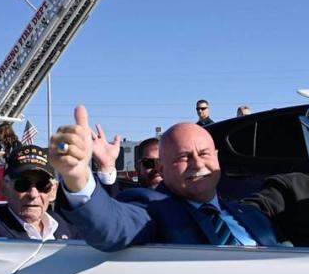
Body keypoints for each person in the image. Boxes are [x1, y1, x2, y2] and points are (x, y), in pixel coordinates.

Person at [52, 106, 277, 252]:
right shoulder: (154, 209)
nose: (198, 164)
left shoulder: (253, 217)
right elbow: (112, 228)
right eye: (183, 157)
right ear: (162, 167)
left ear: (217, 158)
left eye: (204, 154)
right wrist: (78, 177)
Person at [0, 145, 77, 240]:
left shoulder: (64, 224)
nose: (33, 194)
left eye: (42, 185)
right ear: (4, 187)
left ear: (53, 191)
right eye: (23, 184)